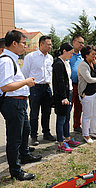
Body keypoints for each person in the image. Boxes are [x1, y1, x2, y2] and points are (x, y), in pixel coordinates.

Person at [0, 30, 42, 181]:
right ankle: (15, 171)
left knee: (26, 131)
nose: (25, 46)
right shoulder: (6, 60)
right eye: (24, 43)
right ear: (14, 43)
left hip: (19, 102)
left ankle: (25, 156)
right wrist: (26, 82)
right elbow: (5, 86)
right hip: (13, 103)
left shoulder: (12, 59)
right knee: (15, 138)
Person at [22, 36, 55, 146]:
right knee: (34, 113)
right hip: (35, 88)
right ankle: (34, 136)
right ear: (41, 44)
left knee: (47, 112)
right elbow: (25, 74)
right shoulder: (31, 57)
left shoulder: (50, 58)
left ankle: (46, 133)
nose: (50, 46)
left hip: (46, 87)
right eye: (48, 44)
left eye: (51, 44)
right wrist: (26, 90)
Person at [52, 43, 80, 152]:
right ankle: (60, 143)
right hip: (62, 95)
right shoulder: (58, 64)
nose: (72, 55)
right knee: (61, 119)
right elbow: (59, 82)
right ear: (64, 51)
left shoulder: (66, 62)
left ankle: (67, 138)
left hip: (69, 92)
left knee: (67, 117)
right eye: (70, 53)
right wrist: (63, 97)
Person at [78, 45, 96, 143]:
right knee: (87, 115)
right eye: (93, 54)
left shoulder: (94, 63)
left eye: (95, 54)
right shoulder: (83, 65)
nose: (95, 56)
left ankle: (94, 132)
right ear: (86, 55)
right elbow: (88, 79)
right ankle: (86, 134)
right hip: (87, 93)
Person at [69, 34, 84, 133]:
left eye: (83, 43)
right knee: (68, 107)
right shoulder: (68, 55)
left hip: (80, 85)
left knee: (79, 107)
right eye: (80, 42)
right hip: (70, 85)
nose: (82, 45)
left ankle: (77, 125)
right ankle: (64, 128)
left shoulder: (82, 56)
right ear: (74, 42)